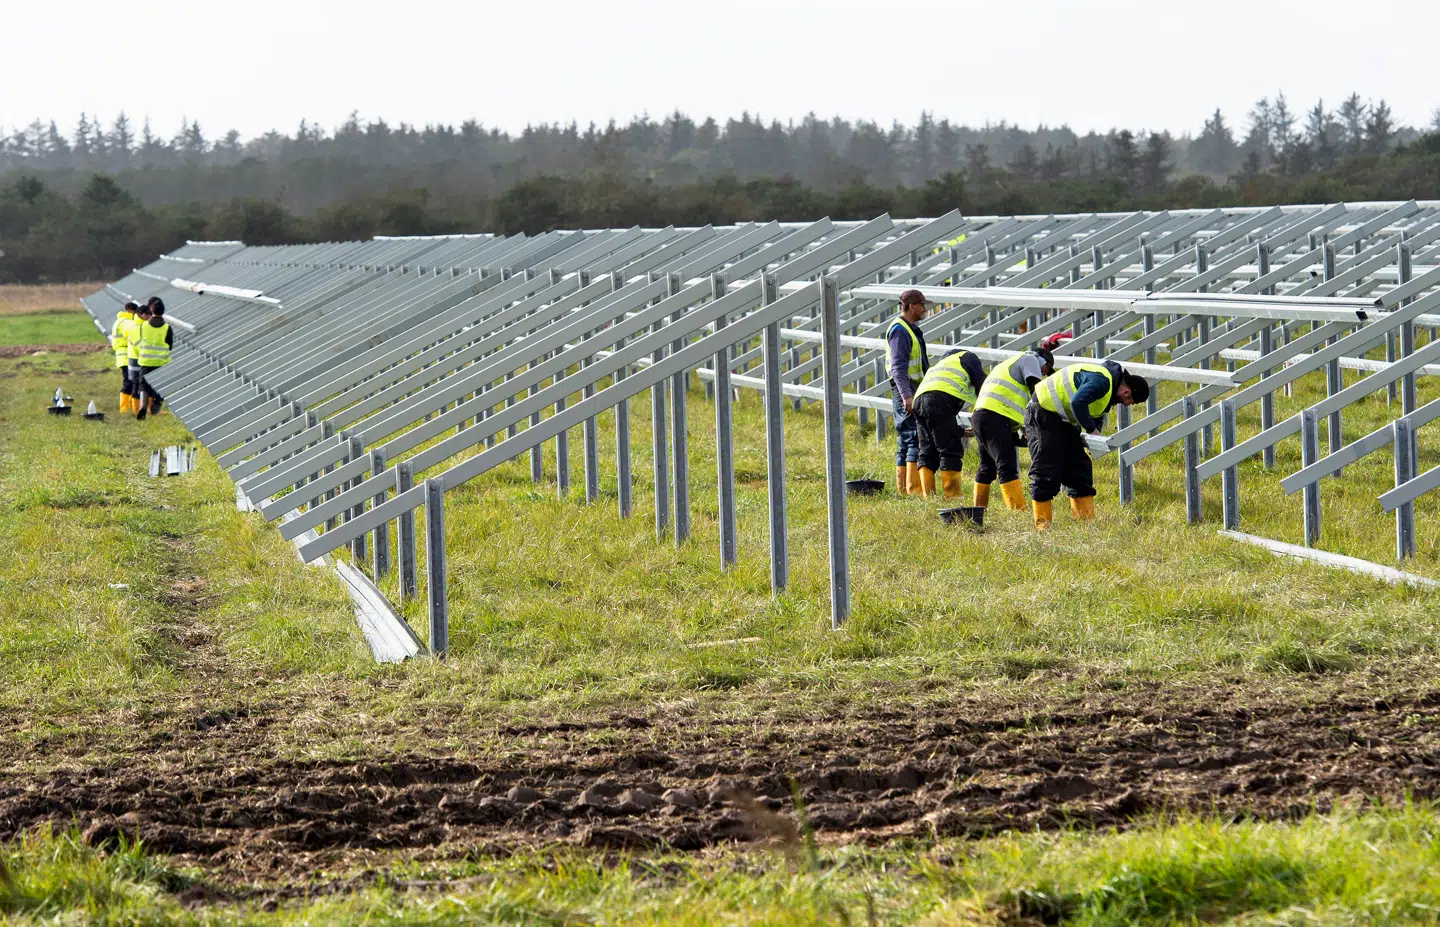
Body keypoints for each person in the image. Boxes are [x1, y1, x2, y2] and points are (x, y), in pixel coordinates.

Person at [1025, 359, 1149, 530]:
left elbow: (1096, 413)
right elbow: (1078, 402)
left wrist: (1095, 436)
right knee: (1046, 470)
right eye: (1129, 401)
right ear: (1127, 392)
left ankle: (1086, 526)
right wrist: (1091, 430)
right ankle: (1043, 528)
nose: (1127, 405)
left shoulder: (1109, 388)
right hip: (1042, 412)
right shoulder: (1103, 382)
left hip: (1063, 419)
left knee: (1079, 470)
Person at [969, 333, 1068, 511]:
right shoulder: (1030, 359)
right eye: (1046, 369)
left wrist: (1018, 435)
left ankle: (978, 510)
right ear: (1042, 360)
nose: (1044, 373)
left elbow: (1010, 402)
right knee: (1006, 465)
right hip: (995, 416)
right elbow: (1037, 391)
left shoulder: (1009, 364)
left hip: (982, 415)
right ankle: (1018, 510)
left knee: (987, 466)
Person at [910, 347, 985, 498]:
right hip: (938, 399)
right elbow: (983, 388)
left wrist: (960, 431)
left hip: (918, 401)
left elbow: (939, 426)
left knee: (927, 449)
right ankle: (952, 496)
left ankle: (928, 497)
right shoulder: (967, 357)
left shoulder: (940, 365)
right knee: (950, 450)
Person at [887, 289, 930, 495]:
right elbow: (897, 368)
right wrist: (907, 396)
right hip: (906, 389)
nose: (924, 309)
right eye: (922, 305)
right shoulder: (900, 331)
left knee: (906, 438)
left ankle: (903, 489)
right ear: (912, 306)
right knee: (913, 436)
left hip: (913, 387)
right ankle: (913, 490)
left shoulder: (909, 329)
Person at [134, 299, 173, 419]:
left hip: (146, 360)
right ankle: (155, 406)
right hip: (161, 361)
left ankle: (143, 406)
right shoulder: (167, 327)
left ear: (151, 310)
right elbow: (170, 345)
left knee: (143, 385)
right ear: (163, 311)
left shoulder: (144, 326)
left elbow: (141, 339)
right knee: (161, 384)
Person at [111, 302, 139, 412]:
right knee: (129, 382)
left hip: (123, 355)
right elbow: (133, 335)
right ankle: (125, 408)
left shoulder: (120, 320)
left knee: (130, 381)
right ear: (131, 311)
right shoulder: (126, 322)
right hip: (126, 355)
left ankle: (130, 407)